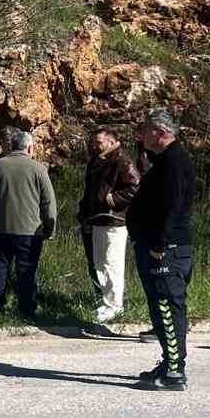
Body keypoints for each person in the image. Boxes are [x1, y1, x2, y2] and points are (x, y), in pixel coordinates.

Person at [127, 110, 197, 390]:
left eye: (145, 130)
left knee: (168, 307)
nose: (140, 135)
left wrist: (159, 243)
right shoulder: (165, 161)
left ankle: (174, 372)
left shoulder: (173, 163)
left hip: (166, 249)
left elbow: (172, 206)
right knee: (161, 307)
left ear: (160, 132)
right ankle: (170, 360)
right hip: (161, 246)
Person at [0, 128, 57, 319]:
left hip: (0, 228)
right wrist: (49, 227)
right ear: (30, 147)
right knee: (27, 269)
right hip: (30, 230)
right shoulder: (38, 168)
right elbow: (48, 202)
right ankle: (26, 308)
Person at [78, 127, 141, 325]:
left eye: (99, 142)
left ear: (111, 141)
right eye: (94, 142)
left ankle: (116, 305)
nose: (95, 146)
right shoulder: (96, 162)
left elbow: (135, 185)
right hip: (98, 218)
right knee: (100, 263)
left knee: (112, 263)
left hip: (114, 220)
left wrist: (114, 199)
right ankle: (107, 303)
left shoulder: (122, 160)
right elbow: (90, 191)